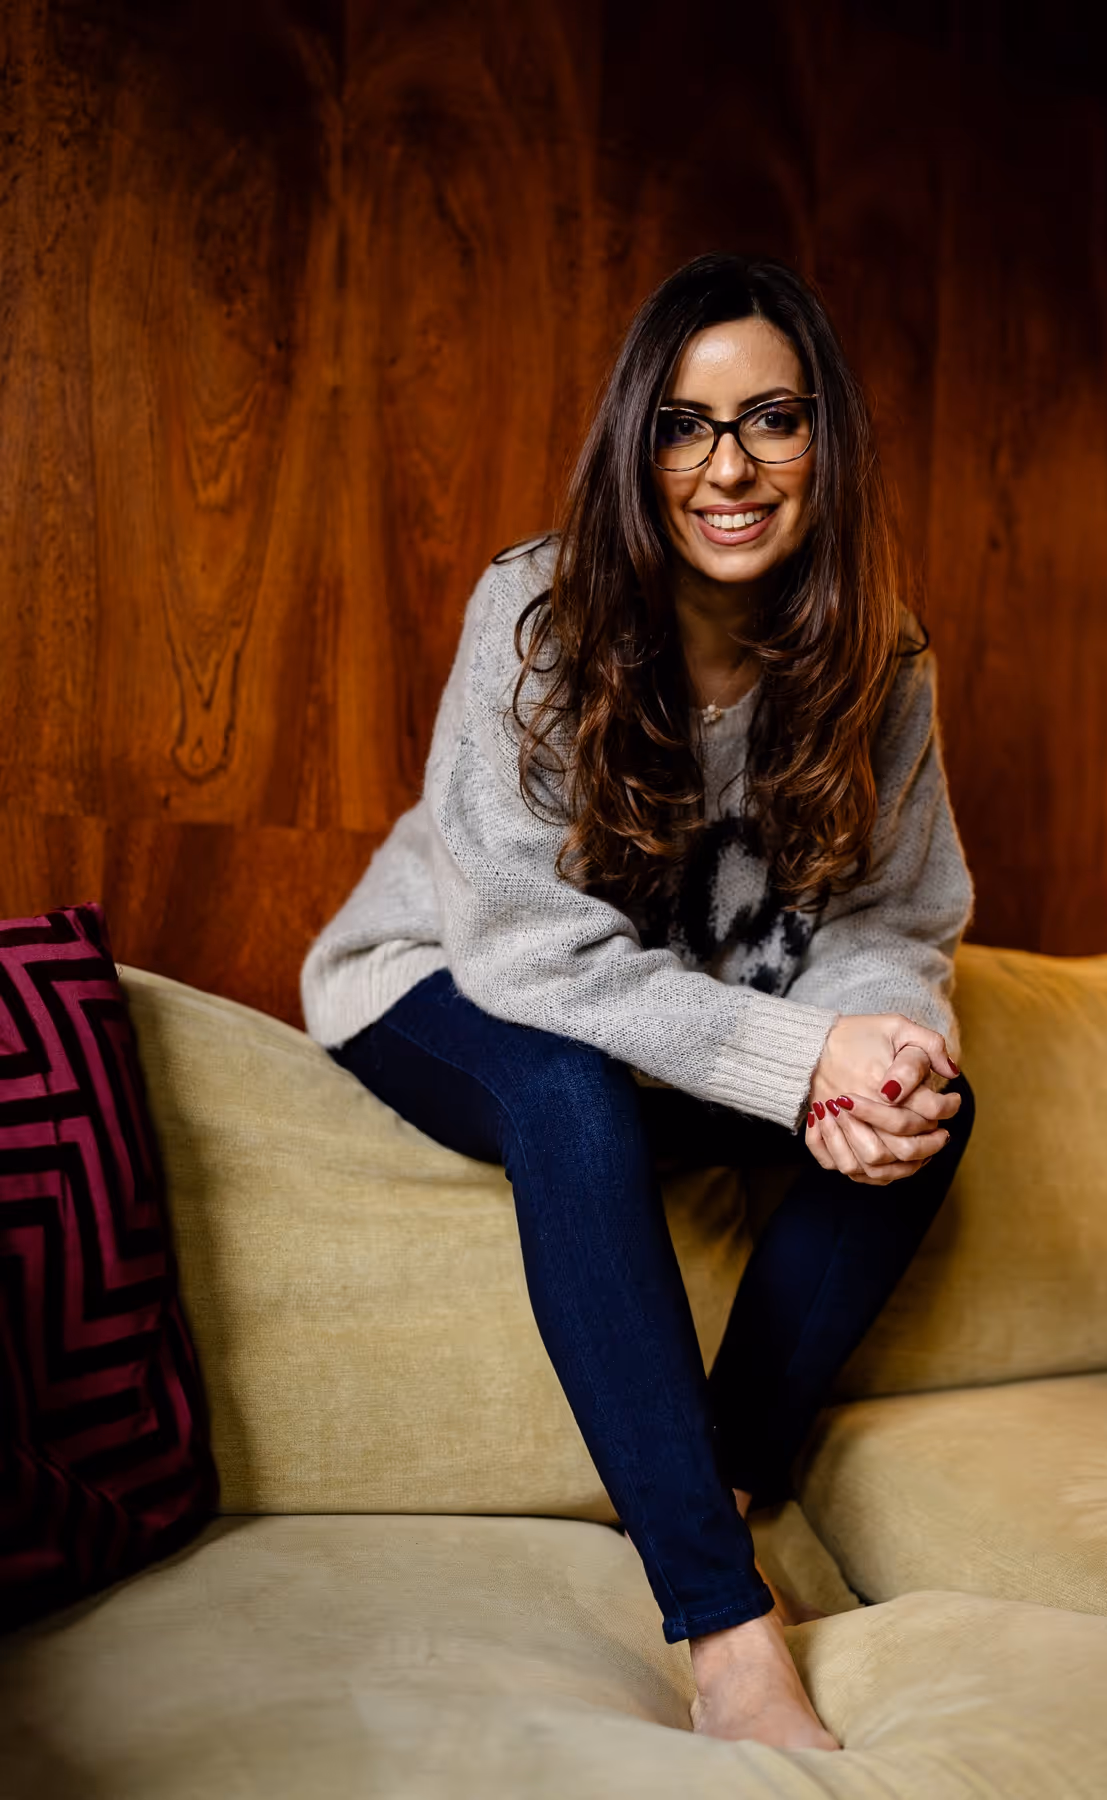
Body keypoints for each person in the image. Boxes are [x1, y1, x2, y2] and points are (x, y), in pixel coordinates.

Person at [300, 251, 977, 1755]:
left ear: (827, 440)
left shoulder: (883, 658)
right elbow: (529, 956)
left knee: (932, 1097)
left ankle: (709, 1476)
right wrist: (796, 1056)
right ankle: (724, 1626)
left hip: (678, 1023)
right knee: (568, 1090)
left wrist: (870, 1052)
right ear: (636, 444)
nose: (730, 468)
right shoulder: (536, 614)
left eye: (773, 419)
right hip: (442, 976)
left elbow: (894, 920)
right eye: (685, 425)